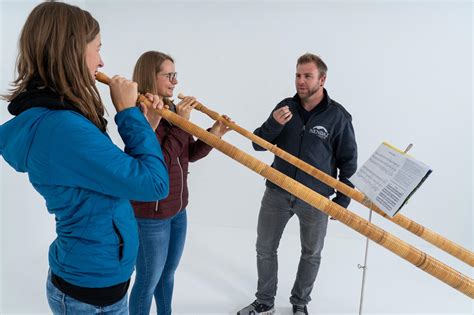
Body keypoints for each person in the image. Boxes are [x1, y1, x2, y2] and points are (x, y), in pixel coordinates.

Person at [0, 2, 169, 314]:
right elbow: (155, 184)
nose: (102, 61)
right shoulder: (62, 127)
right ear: (72, 51)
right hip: (87, 298)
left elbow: (115, 176)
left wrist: (145, 127)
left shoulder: (63, 119)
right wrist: (129, 115)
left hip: (101, 288)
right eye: (97, 49)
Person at [238, 53, 358, 315]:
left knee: (311, 253)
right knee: (265, 247)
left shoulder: (338, 117)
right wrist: (273, 124)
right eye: (297, 75)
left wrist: (343, 200)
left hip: (314, 198)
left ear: (322, 79)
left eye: (307, 76)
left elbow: (348, 161)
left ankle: (300, 303)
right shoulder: (285, 107)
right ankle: (265, 302)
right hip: (277, 192)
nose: (300, 81)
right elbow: (258, 143)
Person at [129, 51, 232, 315]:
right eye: (169, 75)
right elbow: (158, 164)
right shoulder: (139, 114)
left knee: (167, 276)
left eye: (176, 75)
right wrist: (182, 125)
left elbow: (189, 155)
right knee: (147, 281)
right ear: (151, 76)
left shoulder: (173, 110)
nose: (175, 81)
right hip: (151, 215)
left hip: (178, 210)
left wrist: (215, 133)